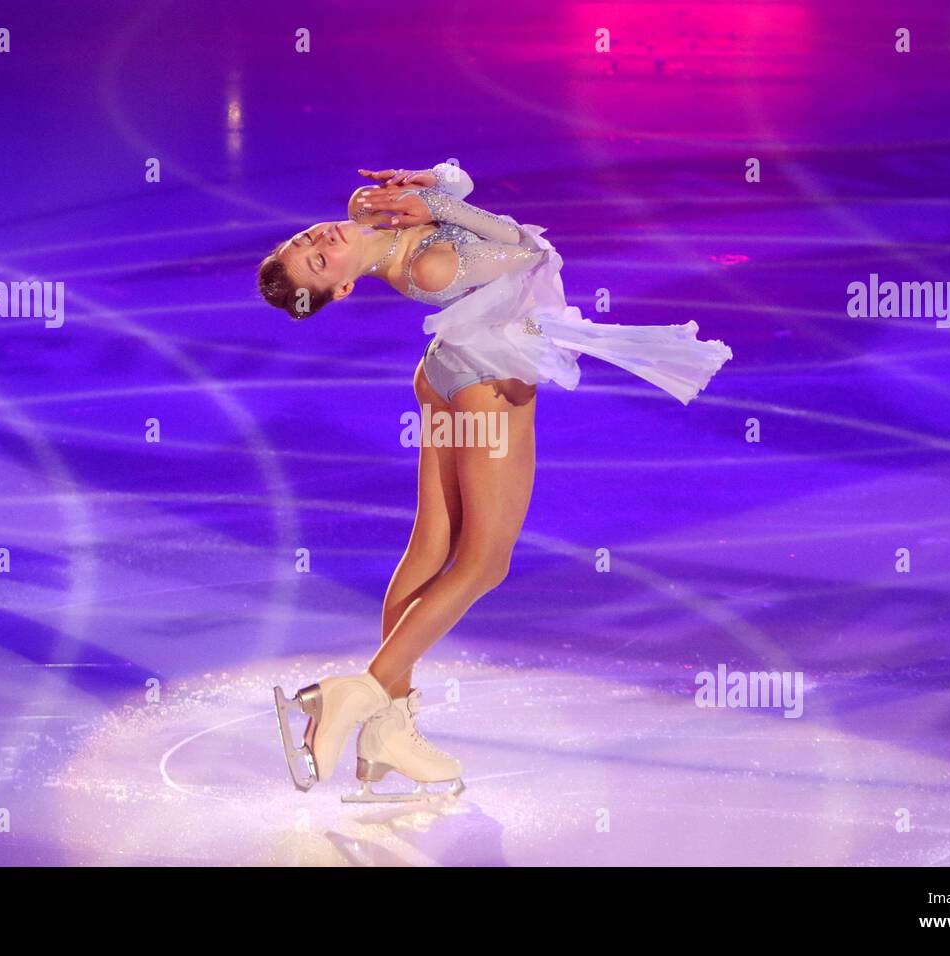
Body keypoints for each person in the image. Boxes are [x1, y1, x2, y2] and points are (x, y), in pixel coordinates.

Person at [260, 162, 732, 802]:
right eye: (316, 263)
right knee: (484, 564)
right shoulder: (425, 268)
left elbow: (462, 189)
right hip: (483, 388)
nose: (317, 244)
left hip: (443, 373)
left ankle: (388, 732)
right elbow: (521, 248)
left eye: (302, 242)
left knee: (432, 545)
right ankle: (357, 697)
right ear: (342, 289)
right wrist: (430, 202)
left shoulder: (366, 204)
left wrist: (432, 180)